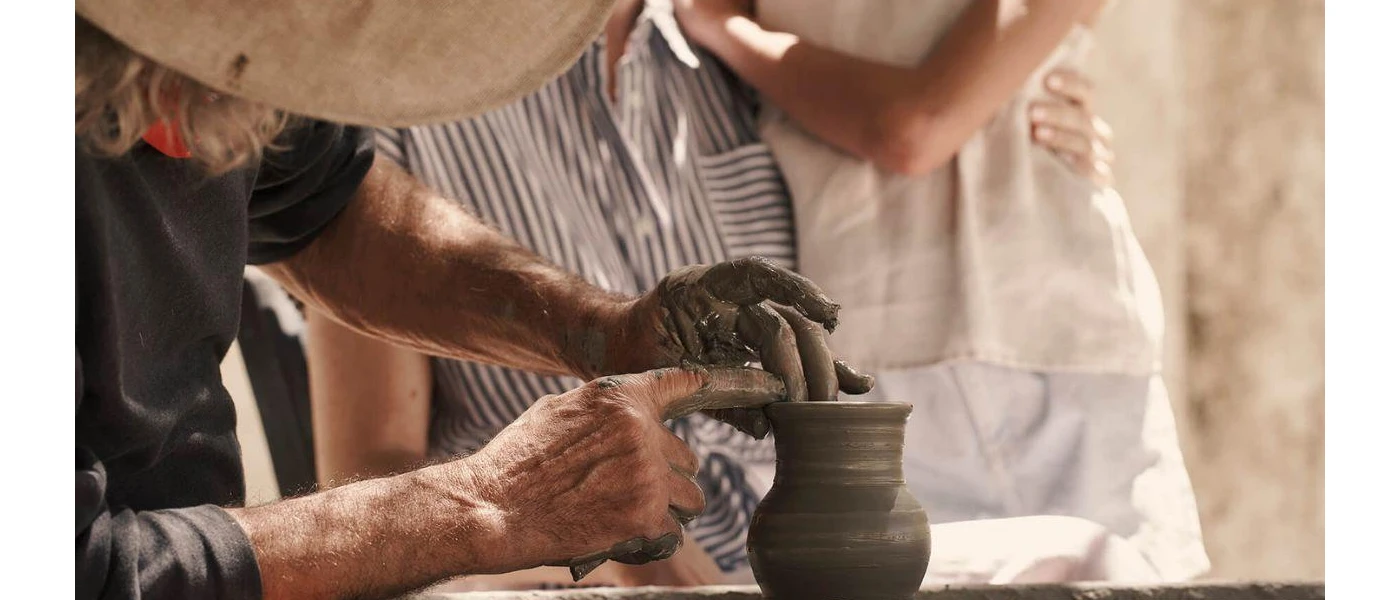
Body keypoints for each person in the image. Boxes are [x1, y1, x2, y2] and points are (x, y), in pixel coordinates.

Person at [304, 0, 1142, 588]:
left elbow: (914, 134)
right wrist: (563, 538)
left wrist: (1043, 143)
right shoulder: (395, 109)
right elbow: (366, 475)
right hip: (543, 577)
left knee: (1091, 566)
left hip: (782, 557)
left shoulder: (736, 62)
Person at [73, 1, 872, 598]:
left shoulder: (227, 40)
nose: (242, 74)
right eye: (196, 49)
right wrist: (488, 505)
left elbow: (328, 205)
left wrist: (607, 330)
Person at [675, 0, 1211, 582]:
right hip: (881, 369)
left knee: (1125, 578)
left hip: (1064, 358)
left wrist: (725, 30)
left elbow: (914, 128)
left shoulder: (724, 20)